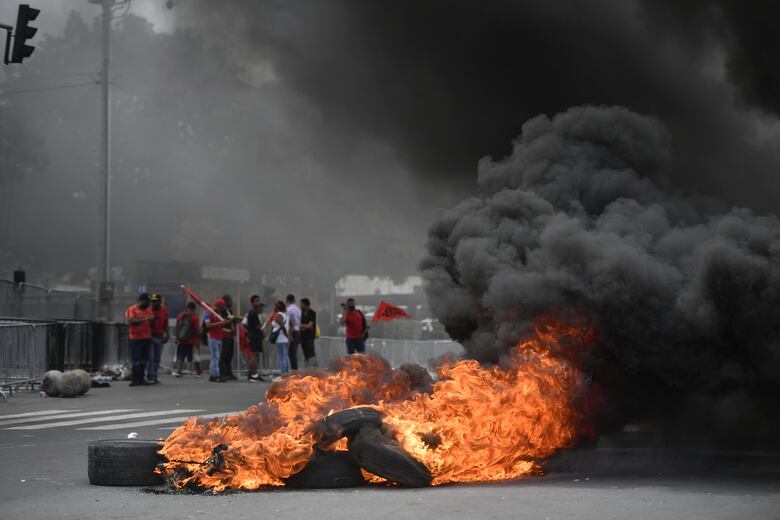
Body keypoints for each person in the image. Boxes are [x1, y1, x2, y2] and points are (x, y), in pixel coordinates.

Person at [124, 293, 155, 386]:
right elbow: (131, 321)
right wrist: (145, 319)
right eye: (147, 302)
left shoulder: (148, 310)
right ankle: (135, 378)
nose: (148, 304)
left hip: (147, 337)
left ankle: (141, 378)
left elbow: (152, 323)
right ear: (141, 301)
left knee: (144, 359)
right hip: (136, 338)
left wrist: (152, 320)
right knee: (136, 359)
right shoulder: (132, 309)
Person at [146, 293, 169, 384]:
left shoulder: (164, 310)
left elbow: (166, 323)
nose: (153, 303)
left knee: (157, 358)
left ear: (160, 302)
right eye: (152, 301)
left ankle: (154, 376)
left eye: (155, 301)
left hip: (159, 336)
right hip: (150, 336)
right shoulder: (148, 310)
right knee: (150, 358)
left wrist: (167, 334)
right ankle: (150, 376)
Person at [205, 298, 229, 382]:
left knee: (217, 357)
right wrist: (220, 323)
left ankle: (215, 374)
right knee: (215, 356)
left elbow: (220, 325)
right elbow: (208, 325)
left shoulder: (219, 314)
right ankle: (215, 375)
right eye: (221, 306)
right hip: (212, 337)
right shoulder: (209, 313)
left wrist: (224, 323)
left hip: (219, 337)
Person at [174, 301, 199, 377]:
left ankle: (179, 371)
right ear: (194, 309)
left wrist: (177, 338)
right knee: (195, 356)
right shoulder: (194, 317)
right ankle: (198, 371)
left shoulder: (180, 316)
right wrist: (197, 340)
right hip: (191, 341)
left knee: (180, 356)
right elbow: (196, 329)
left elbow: (177, 328)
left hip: (181, 340)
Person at [245, 295, 266, 382]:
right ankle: (253, 375)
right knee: (254, 355)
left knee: (255, 356)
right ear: (252, 302)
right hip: (254, 337)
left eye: (259, 300)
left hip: (254, 337)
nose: (258, 303)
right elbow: (257, 327)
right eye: (256, 301)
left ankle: (252, 374)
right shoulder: (253, 313)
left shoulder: (254, 313)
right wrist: (263, 333)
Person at [219, 294, 240, 380]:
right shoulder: (222, 311)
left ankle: (229, 372)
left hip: (230, 335)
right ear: (225, 302)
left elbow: (231, 321)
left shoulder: (230, 311)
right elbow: (224, 321)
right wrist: (232, 319)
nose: (231, 302)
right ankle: (222, 373)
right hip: (224, 335)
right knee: (224, 355)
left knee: (230, 355)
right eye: (230, 300)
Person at [271, 300, 290, 376]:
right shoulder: (284, 314)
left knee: (282, 358)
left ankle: (283, 374)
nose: (274, 307)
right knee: (285, 357)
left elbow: (282, 326)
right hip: (284, 339)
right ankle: (285, 373)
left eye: (275, 306)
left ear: (278, 307)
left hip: (280, 339)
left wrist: (286, 334)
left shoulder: (278, 315)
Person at [299, 298, 318, 368]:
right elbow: (298, 325)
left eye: (301, 304)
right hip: (302, 337)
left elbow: (310, 325)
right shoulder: (300, 313)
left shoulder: (312, 313)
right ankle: (307, 369)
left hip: (310, 337)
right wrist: (306, 326)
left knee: (311, 353)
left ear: (306, 305)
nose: (300, 306)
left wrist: (302, 326)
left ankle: (314, 369)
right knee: (305, 354)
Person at [285, 294, 301, 371]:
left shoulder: (288, 310)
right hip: (298, 331)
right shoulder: (298, 309)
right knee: (294, 351)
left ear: (287, 300)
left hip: (293, 331)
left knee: (291, 352)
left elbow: (291, 322)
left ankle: (293, 370)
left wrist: (289, 333)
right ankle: (295, 369)